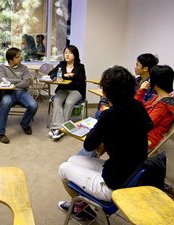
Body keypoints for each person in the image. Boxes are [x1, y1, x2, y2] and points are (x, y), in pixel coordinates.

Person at [58, 66, 153, 218]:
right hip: (131, 173)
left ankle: (83, 209)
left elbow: (88, 145)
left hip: (113, 183)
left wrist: (104, 128)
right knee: (73, 160)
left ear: (106, 91)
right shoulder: (137, 105)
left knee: (63, 168)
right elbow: (148, 125)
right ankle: (83, 203)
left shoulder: (109, 115)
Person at [95, 53, 159, 119]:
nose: (135, 67)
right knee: (99, 113)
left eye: (137, 65)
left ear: (145, 68)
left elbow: (144, 107)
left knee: (102, 115)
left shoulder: (152, 86)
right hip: (124, 108)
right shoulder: (135, 81)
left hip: (133, 114)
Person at [0, 47, 38, 144]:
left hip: (22, 92)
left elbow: (27, 82)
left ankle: (24, 124)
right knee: (5, 103)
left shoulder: (24, 68)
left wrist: (12, 83)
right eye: (17, 57)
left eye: (20, 56)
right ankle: (0, 133)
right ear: (10, 60)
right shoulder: (3, 67)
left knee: (33, 105)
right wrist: (19, 80)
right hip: (8, 93)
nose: (20, 59)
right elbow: (2, 80)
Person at [48, 45, 86, 140]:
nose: (67, 55)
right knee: (56, 101)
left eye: (70, 53)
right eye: (65, 52)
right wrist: (62, 75)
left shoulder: (80, 67)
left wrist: (71, 76)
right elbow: (51, 73)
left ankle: (58, 129)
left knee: (69, 102)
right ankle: (59, 128)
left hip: (76, 90)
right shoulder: (61, 64)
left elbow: (80, 81)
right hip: (63, 89)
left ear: (75, 55)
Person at [135, 65, 174, 151]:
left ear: (155, 82)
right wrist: (141, 91)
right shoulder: (157, 97)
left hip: (148, 140)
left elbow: (144, 125)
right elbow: (138, 108)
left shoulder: (163, 105)